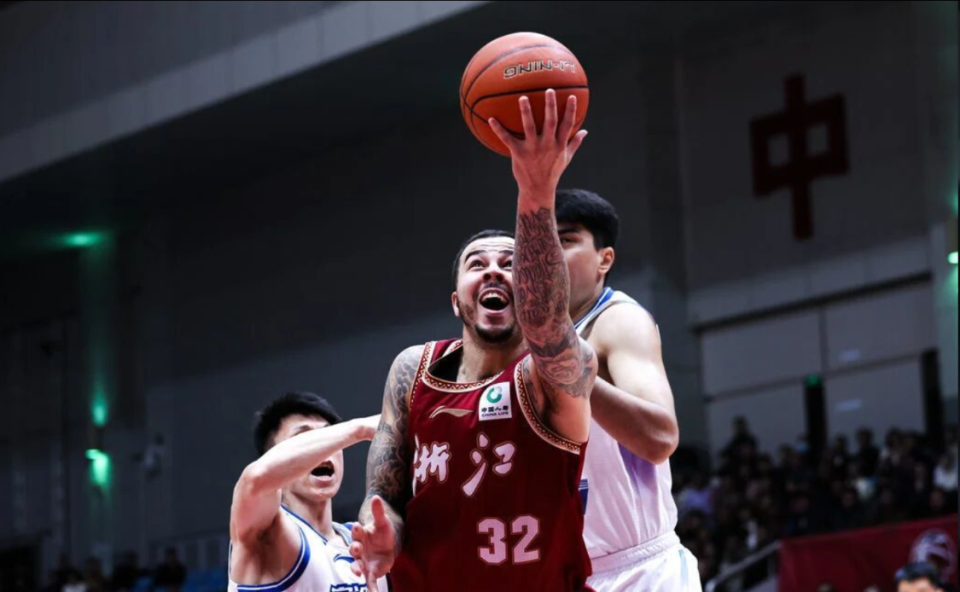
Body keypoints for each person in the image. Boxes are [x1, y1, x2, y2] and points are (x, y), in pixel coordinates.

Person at [351, 90, 597, 592]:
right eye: (477, 264)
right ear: (456, 300)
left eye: (510, 263)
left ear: (529, 283)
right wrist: (383, 536)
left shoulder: (555, 372)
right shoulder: (411, 370)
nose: (494, 271)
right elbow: (386, 497)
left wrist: (536, 191)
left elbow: (547, 322)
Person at [553, 188, 701, 590]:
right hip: (570, 571)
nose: (550, 253)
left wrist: (576, 374)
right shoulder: (527, 344)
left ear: (604, 259)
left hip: (640, 572)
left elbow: (660, 437)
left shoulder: (618, 321)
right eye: (543, 242)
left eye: (566, 240)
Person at [227, 392, 383, 592]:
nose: (325, 449)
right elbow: (256, 478)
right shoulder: (266, 530)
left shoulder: (368, 543)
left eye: (331, 437)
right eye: (305, 438)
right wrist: (360, 429)